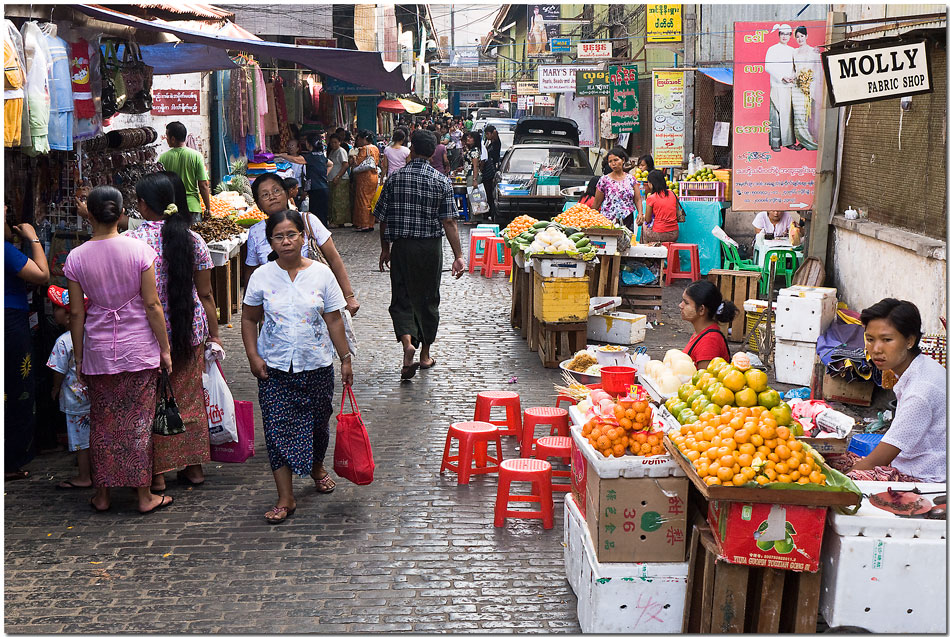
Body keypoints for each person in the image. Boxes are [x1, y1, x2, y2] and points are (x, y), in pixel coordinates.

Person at [64, 185, 174, 514]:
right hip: (138, 347)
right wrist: (165, 349)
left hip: (98, 349)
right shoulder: (139, 251)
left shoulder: (76, 257)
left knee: (102, 423)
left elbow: (76, 313)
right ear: (121, 212)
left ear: (90, 215)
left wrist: (80, 357)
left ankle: (103, 495)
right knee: (139, 423)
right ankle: (143, 496)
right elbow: (152, 305)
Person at [241, 210, 354, 524]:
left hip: (316, 365)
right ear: (271, 243)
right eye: (279, 236)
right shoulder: (262, 277)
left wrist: (344, 359)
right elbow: (249, 319)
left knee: (318, 425)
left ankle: (317, 466)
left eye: (292, 234)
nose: (286, 241)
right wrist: (253, 356)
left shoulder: (321, 274)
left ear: (304, 237)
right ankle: (285, 497)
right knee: (276, 430)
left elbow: (333, 319)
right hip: (274, 368)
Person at [126, 173, 219, 491]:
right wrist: (215, 335)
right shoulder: (194, 240)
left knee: (151, 403)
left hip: (146, 336)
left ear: (142, 205)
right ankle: (193, 468)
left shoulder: (133, 243)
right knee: (188, 400)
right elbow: (206, 295)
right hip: (188, 332)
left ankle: (157, 474)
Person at [374, 130, 465, 380]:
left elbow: (381, 217)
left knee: (402, 297)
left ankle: (407, 345)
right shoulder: (441, 181)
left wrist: (385, 248)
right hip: (429, 249)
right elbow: (449, 222)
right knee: (428, 299)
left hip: (402, 247)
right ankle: (425, 355)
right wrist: (458, 255)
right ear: (433, 152)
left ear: (411, 150)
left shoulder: (395, 179)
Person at [829, 300, 946, 483]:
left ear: (909, 340)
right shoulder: (922, 366)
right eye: (870, 339)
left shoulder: (920, 392)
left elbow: (881, 458)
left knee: (843, 479)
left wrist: (839, 482)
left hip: (926, 479)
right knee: (832, 460)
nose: (876, 350)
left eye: (887, 340)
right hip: (916, 464)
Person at [243, 173, 360, 317]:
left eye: (276, 191)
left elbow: (334, 259)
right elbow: (251, 272)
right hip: (276, 311)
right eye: (265, 195)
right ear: (258, 203)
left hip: (315, 305)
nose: (272, 197)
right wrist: (249, 308)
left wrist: (349, 296)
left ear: (286, 193)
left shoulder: (309, 221)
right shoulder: (256, 232)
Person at [4, 217, 49, 480]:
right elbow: (42, 275)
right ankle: (11, 459)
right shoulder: (5, 251)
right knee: (16, 387)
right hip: (10, 319)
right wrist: (33, 238)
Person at [46, 285, 92, 489]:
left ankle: (84, 476)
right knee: (95, 436)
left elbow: (58, 370)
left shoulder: (63, 341)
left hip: (75, 401)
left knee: (81, 442)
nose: (53, 310)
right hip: (93, 398)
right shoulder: (91, 336)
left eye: (56, 307)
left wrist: (55, 387)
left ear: (68, 315)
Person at [679, 280, 737, 369]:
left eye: (686, 303)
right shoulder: (700, 333)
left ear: (701, 309)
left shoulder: (709, 341)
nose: (680, 305)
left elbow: (703, 380)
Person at [158, 121, 211, 215]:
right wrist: (208, 208)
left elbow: (160, 186)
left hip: (172, 208)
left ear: (173, 139)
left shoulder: (163, 158)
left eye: (167, 136)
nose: (166, 139)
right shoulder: (196, 156)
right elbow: (203, 185)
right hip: (192, 207)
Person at [764, 24, 797, 152]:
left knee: (788, 115)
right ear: (779, 35)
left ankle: (789, 142)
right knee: (775, 116)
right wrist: (781, 77)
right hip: (777, 85)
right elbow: (768, 67)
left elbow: (796, 67)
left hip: (789, 87)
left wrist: (792, 77)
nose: (784, 36)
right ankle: (775, 142)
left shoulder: (793, 50)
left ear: (790, 36)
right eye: (782, 34)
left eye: (787, 34)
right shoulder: (772, 49)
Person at [593, 147, 642, 229]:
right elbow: (597, 203)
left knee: (628, 240)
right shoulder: (604, 180)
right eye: (610, 161)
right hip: (608, 220)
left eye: (616, 160)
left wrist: (640, 213)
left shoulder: (631, 179)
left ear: (623, 160)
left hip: (627, 219)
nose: (613, 163)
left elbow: (637, 199)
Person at [791, 25, 820, 150]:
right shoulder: (794, 52)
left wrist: (812, 86)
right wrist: (793, 79)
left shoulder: (813, 51)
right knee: (799, 115)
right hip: (798, 87)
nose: (800, 39)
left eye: (802, 36)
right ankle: (803, 141)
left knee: (810, 114)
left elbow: (817, 71)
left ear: (806, 36)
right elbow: (793, 69)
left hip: (810, 87)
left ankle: (811, 140)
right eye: (797, 37)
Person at [350, 129, 380, 232]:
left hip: (364, 177)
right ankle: (369, 222)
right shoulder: (375, 148)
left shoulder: (363, 149)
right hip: (373, 176)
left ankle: (364, 223)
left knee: (363, 200)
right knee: (370, 200)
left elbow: (358, 162)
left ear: (363, 139)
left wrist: (353, 158)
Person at [638, 169, 680, 243]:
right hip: (674, 234)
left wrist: (643, 218)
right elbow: (676, 213)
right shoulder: (673, 194)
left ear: (651, 184)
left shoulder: (651, 198)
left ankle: (646, 252)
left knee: (644, 226)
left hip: (659, 233)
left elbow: (648, 220)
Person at [304, 135, 332, 227]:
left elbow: (297, 160)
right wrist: (325, 174)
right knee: (323, 213)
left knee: (315, 213)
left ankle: (317, 232)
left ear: (309, 144)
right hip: (323, 187)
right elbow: (331, 164)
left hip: (315, 188)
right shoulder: (321, 155)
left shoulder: (310, 156)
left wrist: (282, 155)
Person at [326, 134, 351, 227]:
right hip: (332, 179)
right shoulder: (332, 151)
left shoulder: (341, 151)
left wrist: (338, 176)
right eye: (332, 142)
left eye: (335, 142)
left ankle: (339, 221)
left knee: (339, 201)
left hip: (340, 179)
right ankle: (334, 220)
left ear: (339, 142)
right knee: (333, 200)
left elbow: (345, 164)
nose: (333, 144)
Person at [482, 125, 502, 220]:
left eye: (488, 134)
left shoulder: (496, 143)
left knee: (490, 193)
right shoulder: (489, 143)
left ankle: (491, 213)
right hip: (488, 171)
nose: (486, 136)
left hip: (492, 171)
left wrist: (494, 132)